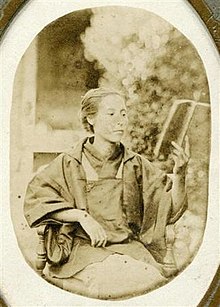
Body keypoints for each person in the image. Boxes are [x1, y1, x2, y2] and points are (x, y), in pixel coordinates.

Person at [24, 88, 189, 299]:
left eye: (123, 113)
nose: (120, 121)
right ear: (90, 118)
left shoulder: (135, 164)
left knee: (151, 284)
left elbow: (169, 210)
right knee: (113, 283)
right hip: (83, 251)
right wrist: (81, 216)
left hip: (128, 248)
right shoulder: (70, 162)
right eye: (111, 114)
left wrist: (180, 174)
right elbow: (36, 199)